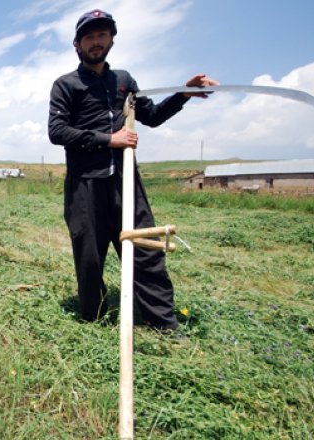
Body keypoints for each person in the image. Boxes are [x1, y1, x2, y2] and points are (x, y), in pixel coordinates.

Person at [47, 9, 218, 330]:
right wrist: (108, 139)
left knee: (145, 251)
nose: (96, 42)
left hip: (126, 182)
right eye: (89, 37)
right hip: (85, 186)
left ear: (111, 39)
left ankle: (163, 323)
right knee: (89, 257)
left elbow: (151, 116)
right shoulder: (66, 85)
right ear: (77, 44)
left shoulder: (124, 82)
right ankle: (94, 320)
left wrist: (184, 94)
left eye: (102, 35)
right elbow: (57, 131)